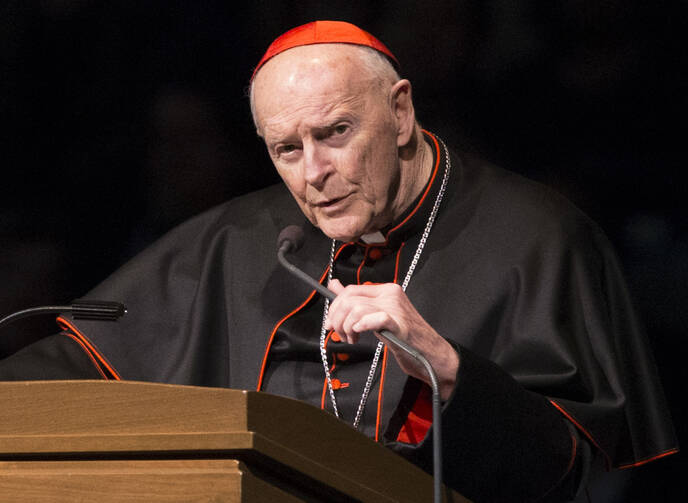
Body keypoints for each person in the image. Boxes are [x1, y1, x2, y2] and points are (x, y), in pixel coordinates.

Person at [0, 21, 677, 502]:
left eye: (336, 133)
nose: (314, 173)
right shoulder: (238, 236)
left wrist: (448, 368)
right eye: (286, 149)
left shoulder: (538, 235)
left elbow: (565, 474)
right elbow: (75, 366)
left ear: (402, 110)